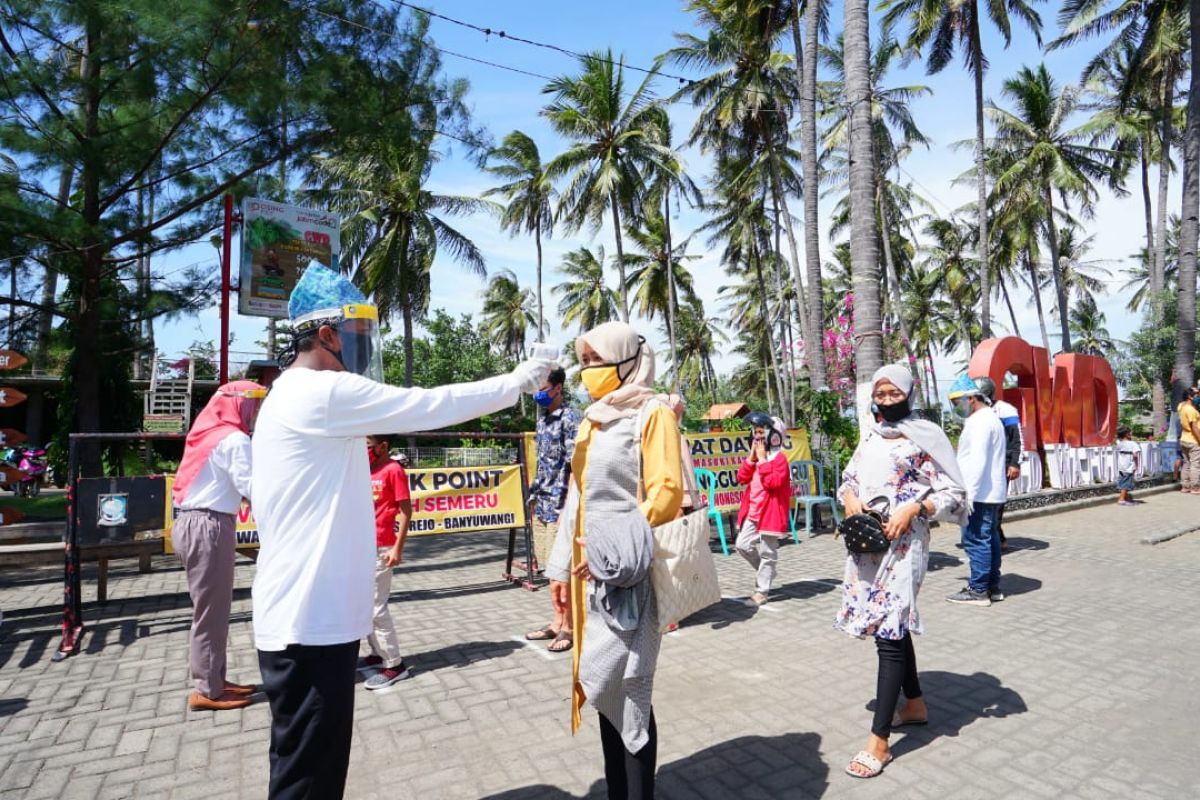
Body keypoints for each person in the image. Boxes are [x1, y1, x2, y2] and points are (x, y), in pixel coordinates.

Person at [250, 265, 552, 800]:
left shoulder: (294, 397)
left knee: (301, 768)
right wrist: (519, 381)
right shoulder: (320, 393)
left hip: (304, 619)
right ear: (326, 336)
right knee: (308, 781)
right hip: (309, 623)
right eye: (358, 337)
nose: (364, 351)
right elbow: (431, 404)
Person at [545, 321, 683, 799]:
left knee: (630, 692)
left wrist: (611, 550)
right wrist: (559, 568)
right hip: (590, 579)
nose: (586, 371)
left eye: (594, 361)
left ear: (626, 361)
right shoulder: (593, 418)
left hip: (628, 572)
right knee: (604, 690)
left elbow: (667, 493)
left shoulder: (652, 413)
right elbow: (579, 495)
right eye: (582, 362)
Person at [836, 364, 966, 779]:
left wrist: (915, 507)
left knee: (890, 631)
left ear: (910, 393)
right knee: (889, 627)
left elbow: (956, 493)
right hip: (868, 544)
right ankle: (914, 704)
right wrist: (851, 498)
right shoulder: (872, 435)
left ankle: (879, 742)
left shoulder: (926, 435)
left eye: (895, 394)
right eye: (882, 394)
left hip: (906, 546)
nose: (888, 400)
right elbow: (849, 479)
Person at [173, 381, 267, 711]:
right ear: (238, 405)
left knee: (211, 609)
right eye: (252, 404)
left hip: (194, 523)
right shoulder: (234, 439)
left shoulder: (209, 432)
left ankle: (214, 678)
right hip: (209, 525)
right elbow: (254, 487)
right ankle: (208, 690)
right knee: (212, 612)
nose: (255, 412)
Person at [524, 366, 582, 653]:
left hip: (562, 504)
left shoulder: (570, 418)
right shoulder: (543, 420)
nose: (539, 394)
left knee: (564, 573)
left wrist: (567, 508)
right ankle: (556, 621)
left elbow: (575, 466)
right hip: (543, 503)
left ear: (558, 388)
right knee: (550, 570)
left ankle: (570, 626)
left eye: (543, 388)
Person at [946, 374, 1007, 607]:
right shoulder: (989, 419)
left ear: (971, 398)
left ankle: (978, 590)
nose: (955, 408)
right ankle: (992, 586)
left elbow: (977, 460)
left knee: (975, 539)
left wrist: (967, 493)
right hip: (988, 491)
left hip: (979, 492)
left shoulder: (980, 421)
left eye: (956, 403)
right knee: (988, 539)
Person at [360, 434, 413, 689]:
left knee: (375, 607)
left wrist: (397, 548)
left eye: (367, 446)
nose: (363, 449)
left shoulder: (393, 470)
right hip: (362, 546)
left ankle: (394, 664)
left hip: (382, 547)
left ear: (383, 446)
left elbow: (406, 511)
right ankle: (376, 652)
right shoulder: (362, 469)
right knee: (363, 604)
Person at [734, 412, 793, 606]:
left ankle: (762, 590)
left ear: (773, 436)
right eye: (755, 432)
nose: (757, 437)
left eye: (761, 432)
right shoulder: (758, 457)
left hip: (770, 514)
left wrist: (762, 461)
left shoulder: (779, 459)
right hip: (753, 512)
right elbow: (741, 478)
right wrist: (752, 459)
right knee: (742, 545)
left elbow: (773, 483)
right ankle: (767, 572)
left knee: (768, 553)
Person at [977, 377, 1022, 550]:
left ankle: (995, 541)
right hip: (983, 463)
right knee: (984, 502)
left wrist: (1015, 463)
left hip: (1002, 463)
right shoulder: (976, 411)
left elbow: (1015, 439)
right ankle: (997, 538)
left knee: (996, 503)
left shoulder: (1005, 409)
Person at [1177, 388, 1200, 494]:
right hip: (1193, 440)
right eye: (1197, 394)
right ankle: (1195, 487)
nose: (1198, 396)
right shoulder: (1191, 410)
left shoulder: (1181, 406)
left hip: (1184, 439)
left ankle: (1185, 486)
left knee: (1186, 463)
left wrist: (1193, 390)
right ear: (1190, 397)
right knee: (1195, 465)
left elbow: (1183, 401)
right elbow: (1194, 427)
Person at [1116, 427, 1141, 506]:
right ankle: (1121, 499)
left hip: (1121, 466)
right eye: (1130, 432)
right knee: (1126, 483)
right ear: (1127, 434)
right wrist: (1136, 465)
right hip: (1129, 466)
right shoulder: (1133, 444)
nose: (1131, 434)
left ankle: (1126, 498)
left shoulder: (1119, 443)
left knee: (1123, 481)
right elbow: (1135, 455)